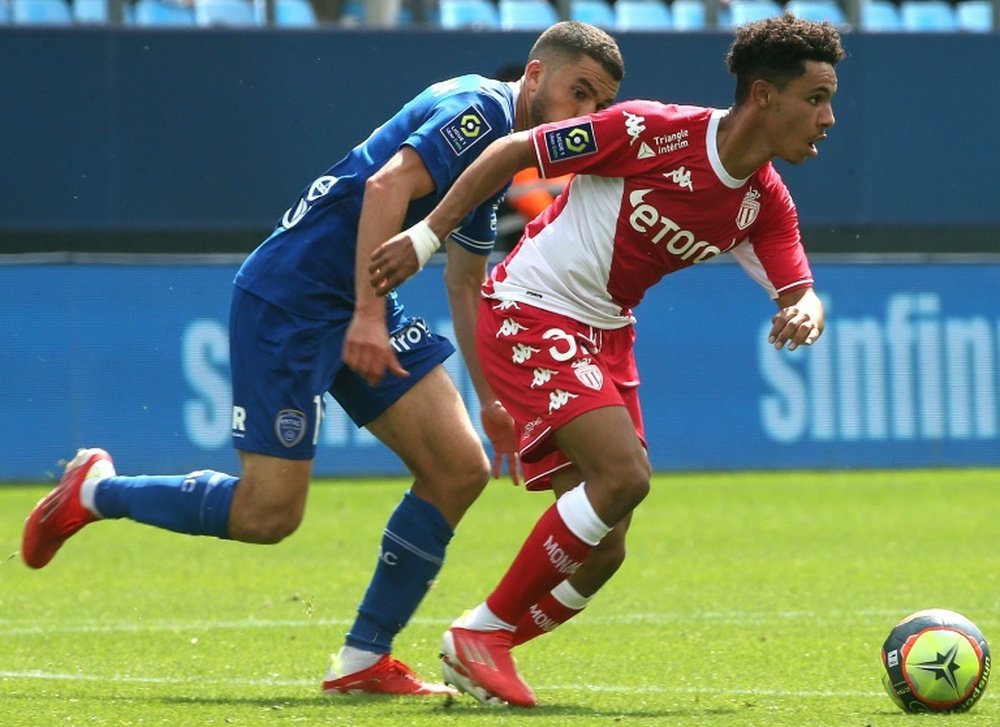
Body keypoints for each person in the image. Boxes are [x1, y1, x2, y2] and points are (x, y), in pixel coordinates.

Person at [21, 22, 624, 697]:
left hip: (358, 295)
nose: (585, 118)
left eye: (599, 106)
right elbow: (386, 187)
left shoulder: (503, 153)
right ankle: (96, 490)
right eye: (579, 94)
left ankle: (362, 658)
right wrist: (366, 314)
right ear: (536, 78)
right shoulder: (478, 112)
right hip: (293, 294)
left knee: (459, 466)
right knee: (268, 513)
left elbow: (463, 279)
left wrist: (491, 397)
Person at [369, 15, 845, 707]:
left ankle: (478, 646)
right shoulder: (652, 130)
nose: (829, 117)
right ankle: (485, 633)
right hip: (531, 305)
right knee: (623, 475)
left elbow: (800, 289)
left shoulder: (764, 201)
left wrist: (807, 310)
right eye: (816, 98)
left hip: (605, 334)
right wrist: (424, 237)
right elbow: (511, 152)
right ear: (764, 97)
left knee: (606, 548)